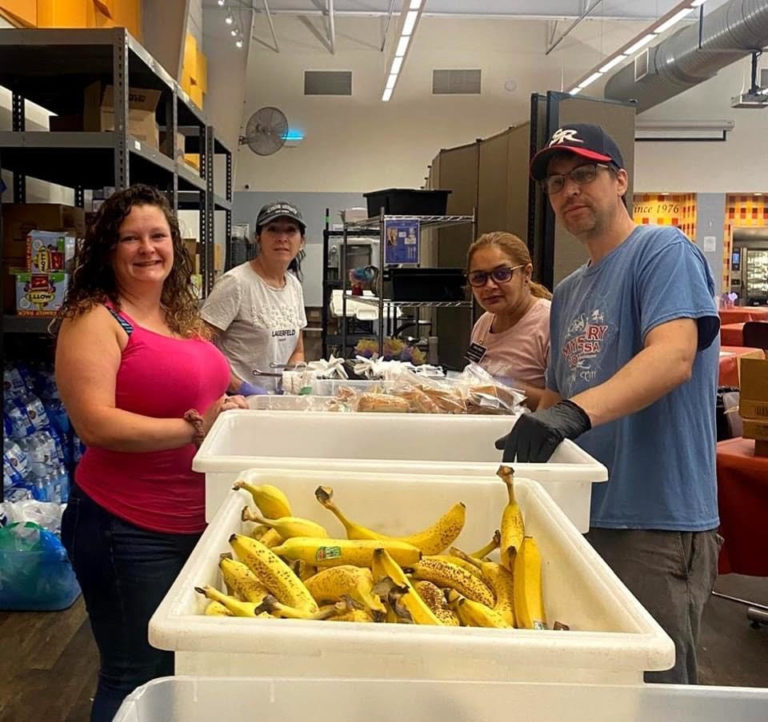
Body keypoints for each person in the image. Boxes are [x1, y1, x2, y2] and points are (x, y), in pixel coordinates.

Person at [498, 123, 720, 684]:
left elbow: (673, 357)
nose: (569, 190)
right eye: (555, 184)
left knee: (656, 689)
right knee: (596, 684)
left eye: (585, 174)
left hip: (654, 520)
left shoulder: (662, 251)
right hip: (583, 511)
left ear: (620, 180)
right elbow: (560, 393)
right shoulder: (569, 290)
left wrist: (570, 415)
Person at [55, 184, 247, 721]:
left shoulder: (177, 316)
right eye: (130, 238)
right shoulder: (96, 319)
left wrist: (242, 403)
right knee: (135, 673)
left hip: (197, 519)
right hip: (128, 527)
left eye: (158, 235)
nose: (148, 249)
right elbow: (96, 424)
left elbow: (213, 387)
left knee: (179, 670)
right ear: (108, 250)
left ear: (175, 245)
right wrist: (193, 430)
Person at [201, 200, 308, 394]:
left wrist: (293, 382)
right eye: (273, 229)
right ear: (258, 238)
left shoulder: (294, 286)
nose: (282, 238)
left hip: (275, 400)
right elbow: (198, 345)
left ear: (302, 241)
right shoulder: (236, 282)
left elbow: (297, 349)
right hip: (234, 400)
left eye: (290, 230)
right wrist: (238, 387)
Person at [466, 231, 552, 408]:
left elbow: (567, 403)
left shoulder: (550, 323)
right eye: (479, 277)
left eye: (502, 274)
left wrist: (507, 389)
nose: (489, 286)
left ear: (526, 274)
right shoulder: (483, 324)